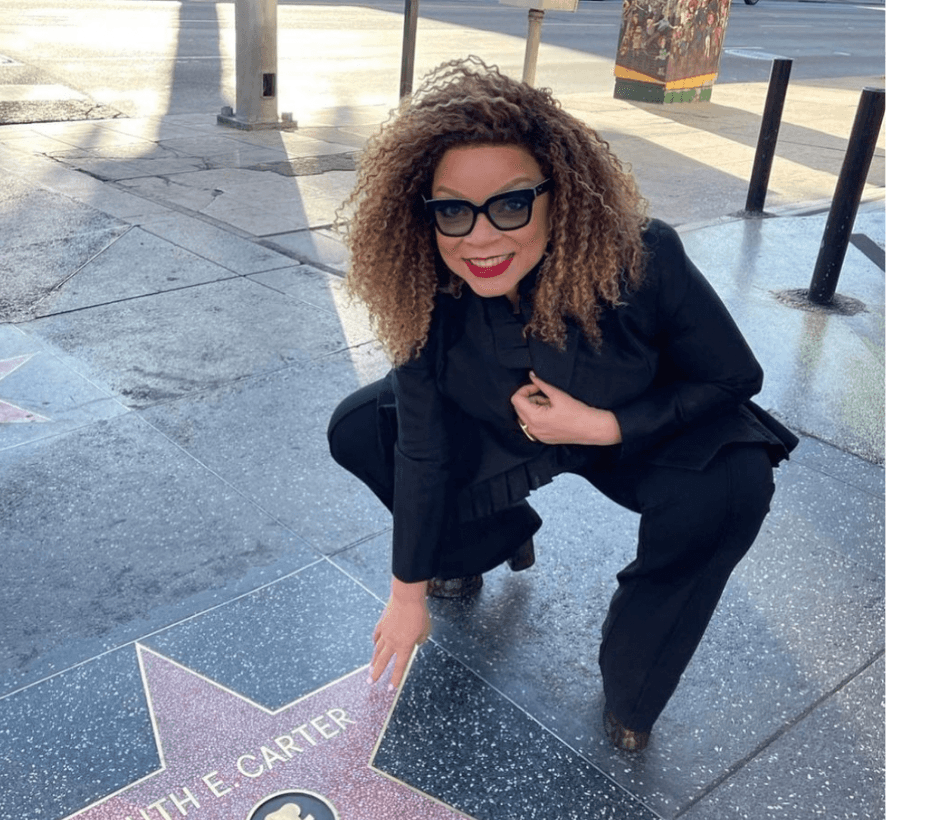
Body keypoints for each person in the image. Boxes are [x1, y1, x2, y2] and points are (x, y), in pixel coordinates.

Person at [326, 58, 797, 752]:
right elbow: (422, 449)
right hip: (503, 434)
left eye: (511, 204)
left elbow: (734, 377)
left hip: (640, 436)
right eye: (453, 210)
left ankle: (634, 680)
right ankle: (485, 536)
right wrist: (407, 595)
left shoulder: (644, 257)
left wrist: (604, 425)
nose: (479, 238)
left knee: (731, 486)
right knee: (365, 426)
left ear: (559, 196)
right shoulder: (424, 290)